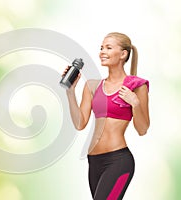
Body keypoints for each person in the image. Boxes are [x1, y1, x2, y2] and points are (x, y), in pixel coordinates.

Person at [63, 32, 150, 199]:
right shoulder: (92, 86)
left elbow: (142, 129)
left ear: (123, 54)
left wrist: (135, 103)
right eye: (101, 48)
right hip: (94, 162)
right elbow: (80, 123)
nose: (102, 51)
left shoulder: (136, 87)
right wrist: (70, 91)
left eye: (108, 48)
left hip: (118, 161)